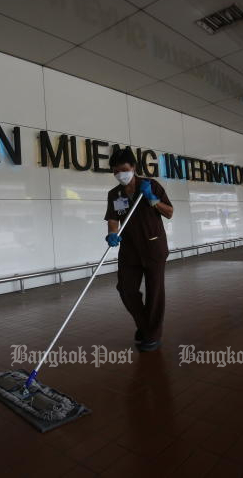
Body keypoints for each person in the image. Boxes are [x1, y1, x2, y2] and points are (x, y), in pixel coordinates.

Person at [103, 147, 173, 352]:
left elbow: (169, 212)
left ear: (133, 167)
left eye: (123, 170)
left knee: (155, 293)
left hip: (153, 247)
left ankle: (151, 335)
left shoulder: (150, 185)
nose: (120, 175)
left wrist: (153, 199)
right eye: (115, 172)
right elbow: (113, 218)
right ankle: (146, 327)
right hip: (129, 250)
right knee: (125, 289)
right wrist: (112, 233)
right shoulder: (114, 194)